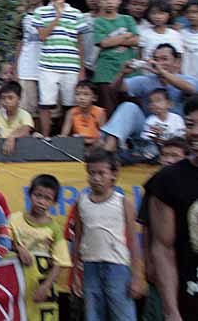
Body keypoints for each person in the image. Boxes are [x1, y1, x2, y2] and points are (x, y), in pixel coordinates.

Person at [71, 149, 142, 321]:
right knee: (93, 315)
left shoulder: (123, 202)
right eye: (92, 173)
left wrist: (137, 277)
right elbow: (78, 238)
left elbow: (133, 241)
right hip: (90, 267)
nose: (96, 178)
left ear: (113, 175)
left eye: (101, 173)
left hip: (117, 267)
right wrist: (75, 273)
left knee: (123, 315)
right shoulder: (82, 201)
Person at [147, 94, 198, 320]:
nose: (195, 132)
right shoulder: (168, 180)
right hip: (188, 299)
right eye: (190, 125)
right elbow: (162, 248)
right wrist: (171, 310)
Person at [102, 44, 198, 152]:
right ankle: (106, 153)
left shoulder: (187, 80)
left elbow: (191, 89)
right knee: (128, 107)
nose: (160, 63)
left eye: (164, 59)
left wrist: (162, 72)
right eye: (156, 59)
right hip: (149, 133)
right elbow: (115, 88)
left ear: (177, 62)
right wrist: (122, 73)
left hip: (178, 134)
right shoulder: (146, 80)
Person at [138, 137, 189, 321]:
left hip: (186, 262)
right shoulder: (156, 186)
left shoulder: (188, 183)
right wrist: (149, 262)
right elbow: (146, 228)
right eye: (165, 154)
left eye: (174, 155)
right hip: (162, 264)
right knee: (157, 311)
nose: (168, 159)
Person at [33, 0, 89, 137]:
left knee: (71, 103)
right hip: (48, 65)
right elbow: (42, 36)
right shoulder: (41, 12)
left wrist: (82, 68)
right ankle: (46, 136)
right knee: (46, 103)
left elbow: (79, 43)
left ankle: (68, 136)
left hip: (70, 65)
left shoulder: (77, 14)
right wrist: (57, 17)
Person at [10, 175, 71, 320]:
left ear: (54, 202)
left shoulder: (54, 229)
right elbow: (3, 241)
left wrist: (46, 286)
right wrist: (18, 247)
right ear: (29, 194)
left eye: (47, 198)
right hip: (16, 282)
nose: (41, 202)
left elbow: (59, 262)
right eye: (38, 195)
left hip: (41, 285)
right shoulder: (14, 220)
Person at [94, 0, 139, 115]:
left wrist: (113, 40)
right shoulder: (98, 21)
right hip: (106, 71)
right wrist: (125, 36)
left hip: (130, 70)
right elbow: (103, 43)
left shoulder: (127, 19)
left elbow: (136, 40)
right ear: (99, 2)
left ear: (119, 0)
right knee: (109, 109)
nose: (109, 2)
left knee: (131, 106)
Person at [14, 0, 46, 115]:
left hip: (47, 66)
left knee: (47, 108)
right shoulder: (22, 17)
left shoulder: (51, 14)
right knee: (26, 109)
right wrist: (15, 68)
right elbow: (20, 42)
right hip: (26, 67)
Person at [0, 80, 34, 155]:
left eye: (10, 98)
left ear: (19, 99)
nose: (6, 101)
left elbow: (25, 130)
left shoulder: (25, 114)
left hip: (20, 146)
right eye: (3, 98)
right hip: (1, 144)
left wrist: (12, 137)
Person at [60, 80, 106, 146]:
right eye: (77, 94)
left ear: (94, 98)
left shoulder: (100, 112)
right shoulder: (71, 112)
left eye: (86, 94)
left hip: (94, 143)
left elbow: (103, 136)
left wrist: (89, 141)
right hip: (78, 143)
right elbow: (64, 135)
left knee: (101, 143)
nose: (81, 98)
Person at [83, 0, 102, 80]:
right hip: (84, 67)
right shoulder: (81, 18)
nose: (92, 0)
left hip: (103, 68)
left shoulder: (110, 20)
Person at [179, 0, 198, 77]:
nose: (191, 15)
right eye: (188, 12)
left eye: (195, 12)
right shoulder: (181, 33)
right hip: (185, 79)